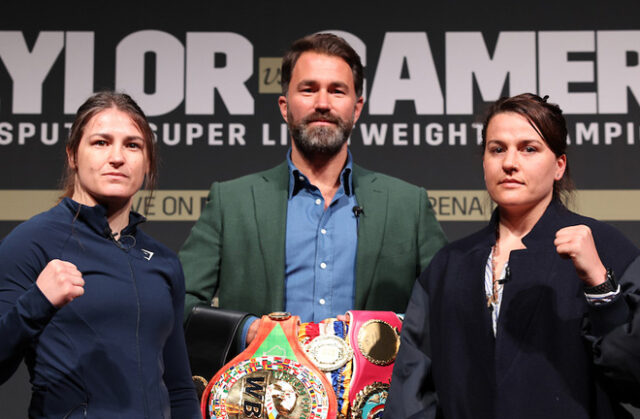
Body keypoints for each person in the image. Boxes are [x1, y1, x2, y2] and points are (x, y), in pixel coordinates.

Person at [179, 33, 446, 360]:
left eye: (337, 90)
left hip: (375, 404)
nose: (323, 102)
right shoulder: (231, 202)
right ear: (284, 105)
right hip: (262, 399)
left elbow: (447, 309)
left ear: (357, 108)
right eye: (308, 89)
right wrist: (245, 329)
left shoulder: (408, 205)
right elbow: (179, 301)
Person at [384, 93, 640, 419]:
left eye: (529, 148)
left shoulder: (607, 248)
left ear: (559, 165)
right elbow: (412, 394)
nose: (509, 163)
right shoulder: (449, 266)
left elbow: (634, 380)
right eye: (497, 149)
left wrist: (600, 286)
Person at [0, 91, 200, 418]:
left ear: (148, 161)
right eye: (101, 142)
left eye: (132, 145)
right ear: (72, 155)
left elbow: (178, 386)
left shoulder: (163, 261)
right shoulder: (31, 243)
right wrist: (36, 303)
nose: (117, 157)